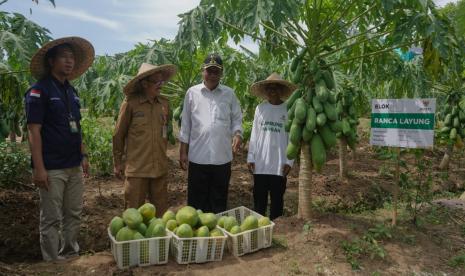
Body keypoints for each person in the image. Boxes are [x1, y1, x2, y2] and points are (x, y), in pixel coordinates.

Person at [25, 36, 95, 261]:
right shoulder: (39, 91)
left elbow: (78, 127)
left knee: (73, 213)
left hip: (73, 164)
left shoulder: (71, 92)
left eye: (72, 57)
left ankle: (70, 253)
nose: (69, 61)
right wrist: (39, 168)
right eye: (64, 57)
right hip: (52, 166)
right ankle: (53, 261)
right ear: (51, 60)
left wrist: (83, 155)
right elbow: (33, 131)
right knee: (52, 217)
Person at [179, 53, 243, 213]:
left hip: (222, 159)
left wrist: (237, 133)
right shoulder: (192, 93)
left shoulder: (229, 94)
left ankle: (217, 235)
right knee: (196, 204)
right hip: (198, 158)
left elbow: (236, 118)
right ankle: (197, 235)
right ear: (203, 71)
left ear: (221, 73)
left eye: (217, 71)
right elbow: (186, 124)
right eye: (209, 71)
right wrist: (182, 151)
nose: (213, 75)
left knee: (219, 200)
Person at [113, 63, 177, 215]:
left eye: (162, 81)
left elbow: (164, 132)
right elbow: (118, 135)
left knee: (161, 215)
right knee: (133, 215)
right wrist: (118, 162)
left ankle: (159, 240)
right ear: (144, 83)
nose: (160, 85)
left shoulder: (164, 104)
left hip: (159, 168)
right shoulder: (130, 104)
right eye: (156, 81)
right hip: (137, 170)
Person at [247, 73, 297, 220]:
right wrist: (251, 156)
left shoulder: (288, 109)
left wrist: (290, 161)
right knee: (259, 199)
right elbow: (254, 134)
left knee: (277, 200)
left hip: (280, 163)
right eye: (269, 88)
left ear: (281, 90)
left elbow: (292, 138)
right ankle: (258, 228)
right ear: (265, 90)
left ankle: (277, 228)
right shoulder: (260, 108)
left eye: (276, 87)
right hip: (261, 163)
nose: (272, 90)